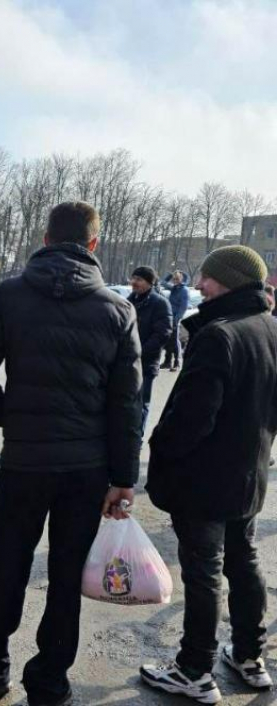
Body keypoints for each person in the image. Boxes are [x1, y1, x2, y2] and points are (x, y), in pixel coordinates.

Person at [0, 202, 141, 706]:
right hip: (87, 468)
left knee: (7, 561)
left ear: (46, 239)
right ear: (93, 245)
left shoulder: (10, 295)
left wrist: (12, 418)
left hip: (25, 461)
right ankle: (49, 683)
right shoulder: (118, 309)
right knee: (67, 574)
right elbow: (127, 404)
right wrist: (123, 478)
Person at [141, 246, 277, 703]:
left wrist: (162, 452)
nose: (199, 285)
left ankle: (194, 669)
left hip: (205, 481)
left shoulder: (220, 335)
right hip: (247, 476)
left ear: (231, 283)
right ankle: (248, 655)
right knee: (244, 562)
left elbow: (191, 418)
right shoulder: (270, 328)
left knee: (204, 574)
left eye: (208, 279)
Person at [128, 266, 172, 436]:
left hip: (146, 363)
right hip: (126, 362)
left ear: (150, 283)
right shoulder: (129, 301)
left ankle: (136, 440)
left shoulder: (160, 303)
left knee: (141, 404)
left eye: (139, 279)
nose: (134, 282)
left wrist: (139, 352)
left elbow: (162, 334)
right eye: (133, 278)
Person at [161, 270, 190, 371]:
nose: (175, 281)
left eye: (177, 279)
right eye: (174, 279)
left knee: (174, 340)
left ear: (181, 279)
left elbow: (183, 307)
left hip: (175, 318)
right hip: (169, 317)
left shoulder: (184, 290)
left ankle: (177, 363)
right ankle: (167, 361)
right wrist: (170, 274)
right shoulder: (174, 288)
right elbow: (163, 282)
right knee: (168, 339)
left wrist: (177, 319)